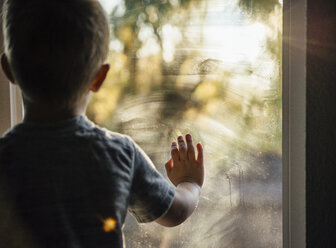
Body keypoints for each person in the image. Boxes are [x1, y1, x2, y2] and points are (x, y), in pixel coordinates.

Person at [0, 0, 204, 247]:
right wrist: (190, 183)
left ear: (8, 70)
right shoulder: (118, 154)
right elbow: (176, 211)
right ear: (99, 78)